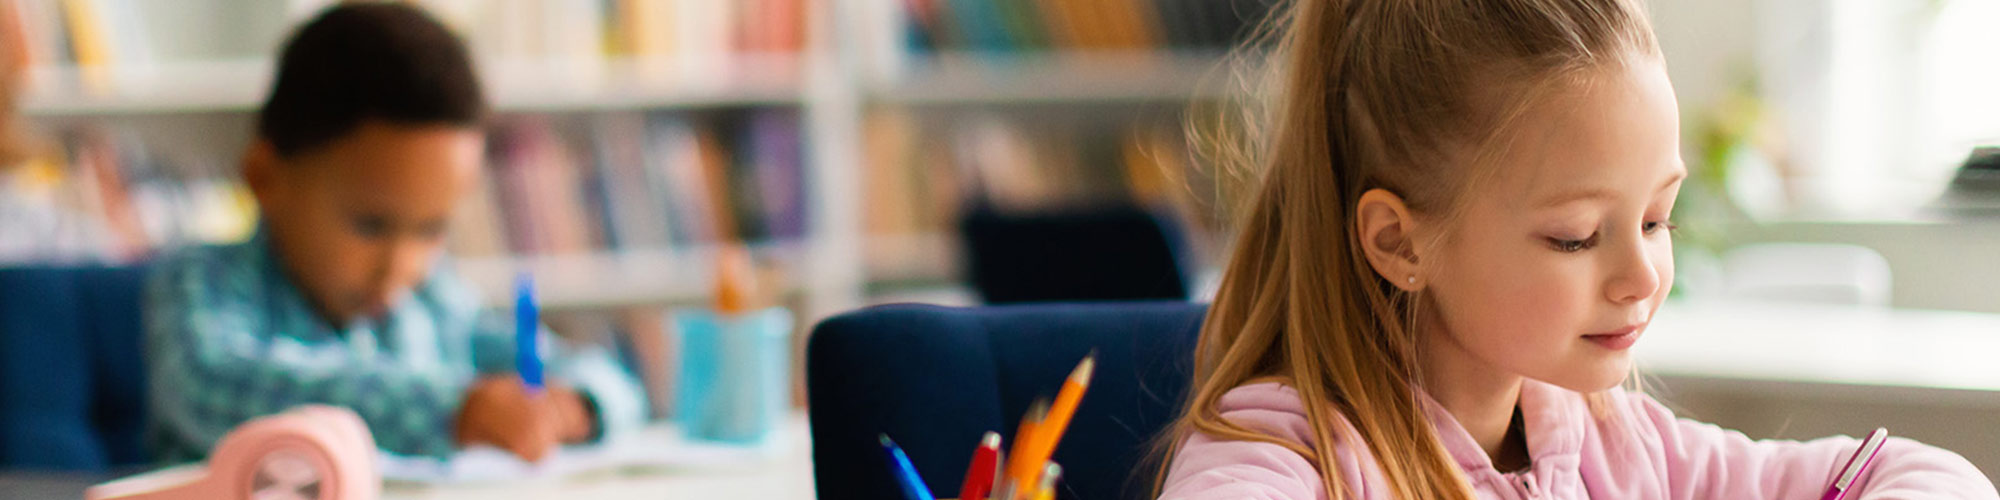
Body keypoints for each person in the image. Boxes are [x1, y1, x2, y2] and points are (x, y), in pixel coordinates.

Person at [1152, 0, 1996, 498]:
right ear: (1399, 242)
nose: (1641, 277)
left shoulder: (1615, 446)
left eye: (1658, 219)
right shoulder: (1283, 457)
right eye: (1577, 236)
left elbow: (1918, 474)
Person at [144, 3, 643, 463]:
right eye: (371, 225)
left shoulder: (432, 300)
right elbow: (214, 384)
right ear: (265, 177)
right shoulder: (200, 280)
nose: (400, 266)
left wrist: (576, 406)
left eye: (432, 229)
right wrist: (454, 411)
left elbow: (600, 376)